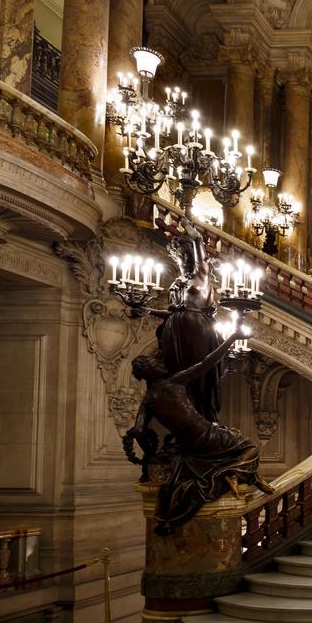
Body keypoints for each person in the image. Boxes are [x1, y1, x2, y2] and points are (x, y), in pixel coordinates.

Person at [126, 328, 275, 535]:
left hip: (188, 445)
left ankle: (243, 475)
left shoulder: (148, 401)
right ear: (150, 371)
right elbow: (208, 362)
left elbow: (138, 430)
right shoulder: (174, 382)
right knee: (250, 448)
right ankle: (233, 473)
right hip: (208, 435)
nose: (159, 364)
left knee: (230, 445)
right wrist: (232, 338)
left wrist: (149, 455)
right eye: (154, 364)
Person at [136, 220, 224, 422]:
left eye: (186, 255)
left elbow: (201, 254)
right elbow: (171, 313)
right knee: (177, 376)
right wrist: (147, 310)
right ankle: (185, 420)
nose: (182, 259)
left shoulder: (201, 276)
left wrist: (195, 236)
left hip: (197, 332)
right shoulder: (177, 284)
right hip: (173, 332)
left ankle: (206, 419)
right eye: (179, 256)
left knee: (199, 374)